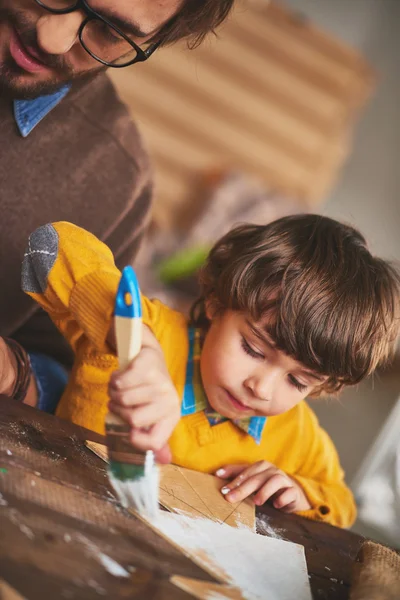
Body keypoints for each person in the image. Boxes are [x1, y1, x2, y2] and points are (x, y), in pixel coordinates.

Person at [21, 216, 400, 527]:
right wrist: (141, 348)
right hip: (47, 506)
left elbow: (342, 505)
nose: (261, 388)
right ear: (218, 303)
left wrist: (300, 492)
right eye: (252, 348)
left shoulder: (295, 432)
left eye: (297, 380)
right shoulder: (142, 331)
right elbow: (50, 245)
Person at [0, 0, 234, 417]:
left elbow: (64, 376)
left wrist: (15, 373)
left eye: (108, 30)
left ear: (154, 41)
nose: (52, 38)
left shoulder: (118, 184)